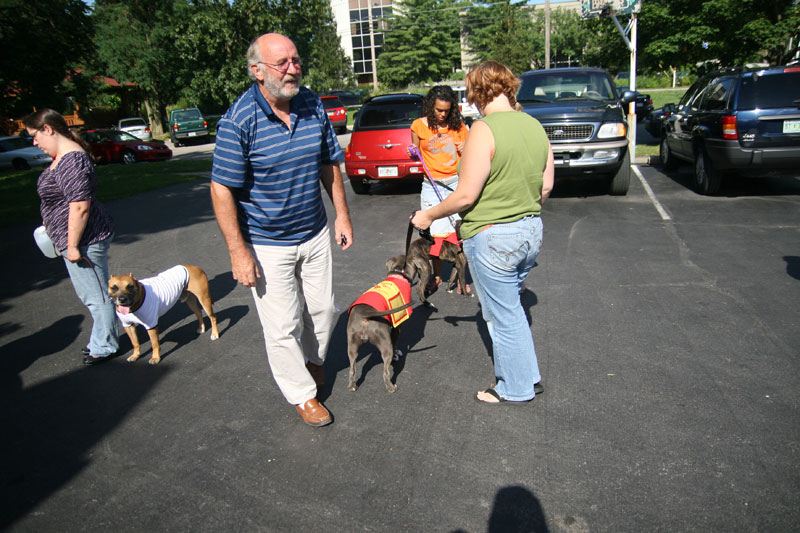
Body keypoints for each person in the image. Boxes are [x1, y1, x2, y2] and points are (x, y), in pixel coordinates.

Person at [210, 33, 353, 427]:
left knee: (325, 310)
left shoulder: (309, 103)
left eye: (296, 60)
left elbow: (329, 162)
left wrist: (342, 215)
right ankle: (302, 393)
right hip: (265, 243)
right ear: (257, 71)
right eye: (282, 63)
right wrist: (238, 253)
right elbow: (221, 189)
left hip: (314, 230)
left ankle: (312, 359)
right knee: (282, 324)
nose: (293, 69)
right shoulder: (239, 119)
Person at [411, 61, 554, 404]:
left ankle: (514, 388)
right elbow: (546, 186)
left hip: (493, 236)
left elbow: (465, 195)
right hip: (530, 230)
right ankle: (528, 377)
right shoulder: (534, 125)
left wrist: (428, 215)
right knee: (513, 310)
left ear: (477, 92)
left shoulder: (483, 130)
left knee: (502, 316)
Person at [24, 109, 119, 365]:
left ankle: (106, 345)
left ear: (48, 129)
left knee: (97, 295)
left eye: (34, 136)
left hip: (85, 240)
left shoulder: (72, 159)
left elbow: (80, 206)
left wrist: (72, 245)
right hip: (72, 239)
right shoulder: (62, 156)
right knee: (91, 294)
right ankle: (101, 340)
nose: (34, 142)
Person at [410, 85, 471, 294]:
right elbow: (415, 150)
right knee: (434, 233)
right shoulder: (418, 126)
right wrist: (412, 153)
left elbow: (471, 154)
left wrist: (467, 147)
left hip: (455, 182)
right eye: (439, 110)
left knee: (458, 230)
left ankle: (462, 277)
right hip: (431, 183)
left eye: (447, 110)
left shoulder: (459, 126)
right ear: (430, 107)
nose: (443, 114)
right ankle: (435, 277)